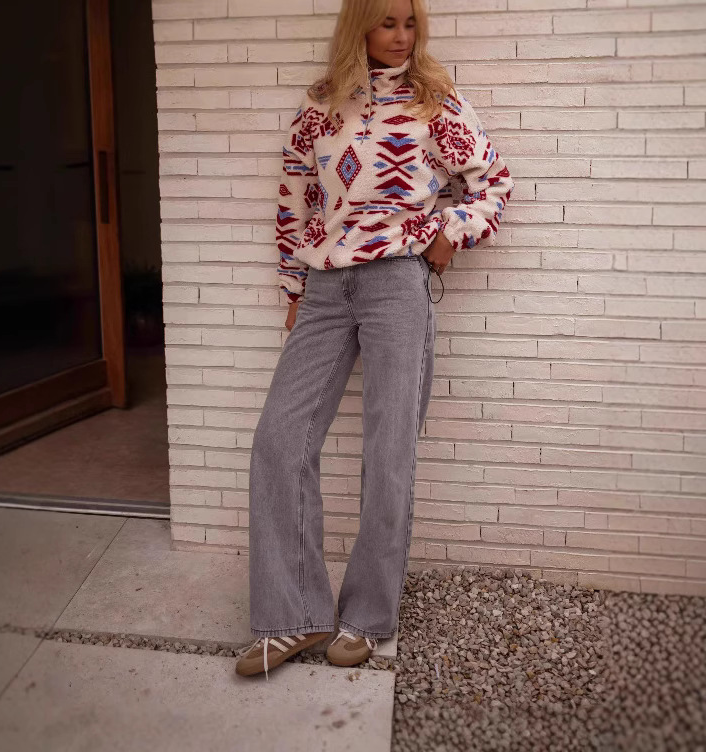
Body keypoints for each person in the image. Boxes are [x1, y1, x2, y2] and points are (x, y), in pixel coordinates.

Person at [235, 0, 514, 680]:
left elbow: (492, 182)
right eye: (387, 22)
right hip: (326, 287)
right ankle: (293, 615)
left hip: (397, 283)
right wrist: (294, 289)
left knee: (389, 452)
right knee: (280, 440)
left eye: (410, 23)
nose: (401, 35)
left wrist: (450, 233)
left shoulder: (433, 101)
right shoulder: (321, 105)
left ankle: (367, 615)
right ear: (358, 24)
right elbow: (294, 198)